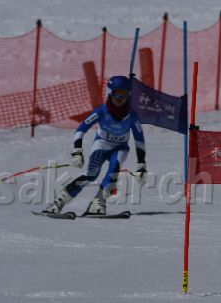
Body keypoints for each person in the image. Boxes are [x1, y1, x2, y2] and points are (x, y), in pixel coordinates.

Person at [42, 75, 147, 216]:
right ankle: (59, 202)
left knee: (113, 173)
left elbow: (139, 140)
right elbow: (80, 130)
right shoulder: (101, 111)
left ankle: (98, 203)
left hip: (120, 148)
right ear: (109, 92)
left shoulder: (132, 116)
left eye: (124, 94)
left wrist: (141, 165)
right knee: (91, 174)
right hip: (102, 144)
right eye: (116, 93)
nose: (120, 98)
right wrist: (77, 151)